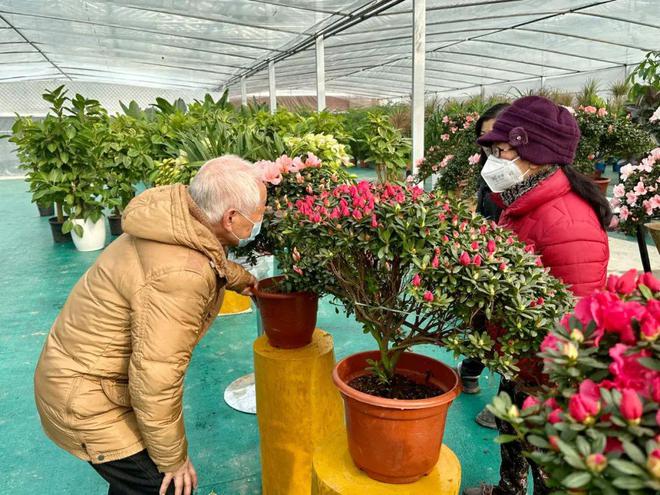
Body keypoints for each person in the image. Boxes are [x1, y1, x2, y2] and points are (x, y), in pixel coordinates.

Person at [34, 155, 266, 495]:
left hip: (79, 373)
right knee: (164, 486)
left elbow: (206, 257)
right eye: (257, 215)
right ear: (230, 218)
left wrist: (244, 280)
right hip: (88, 399)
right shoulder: (183, 276)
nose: (259, 222)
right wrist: (173, 460)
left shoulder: (176, 218)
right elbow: (155, 378)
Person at [464, 96, 611, 495]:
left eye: (501, 151)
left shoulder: (567, 222)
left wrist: (542, 381)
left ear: (536, 154)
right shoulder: (527, 202)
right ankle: (507, 489)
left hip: (545, 371)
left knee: (544, 460)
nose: (492, 161)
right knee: (512, 429)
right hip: (522, 358)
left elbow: (574, 315)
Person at [458, 103, 509, 430]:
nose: (492, 145)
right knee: (482, 319)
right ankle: (472, 370)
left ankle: (504, 406)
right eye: (485, 138)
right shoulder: (490, 171)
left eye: (498, 139)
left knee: (509, 329)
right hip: (488, 255)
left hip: (512, 261)